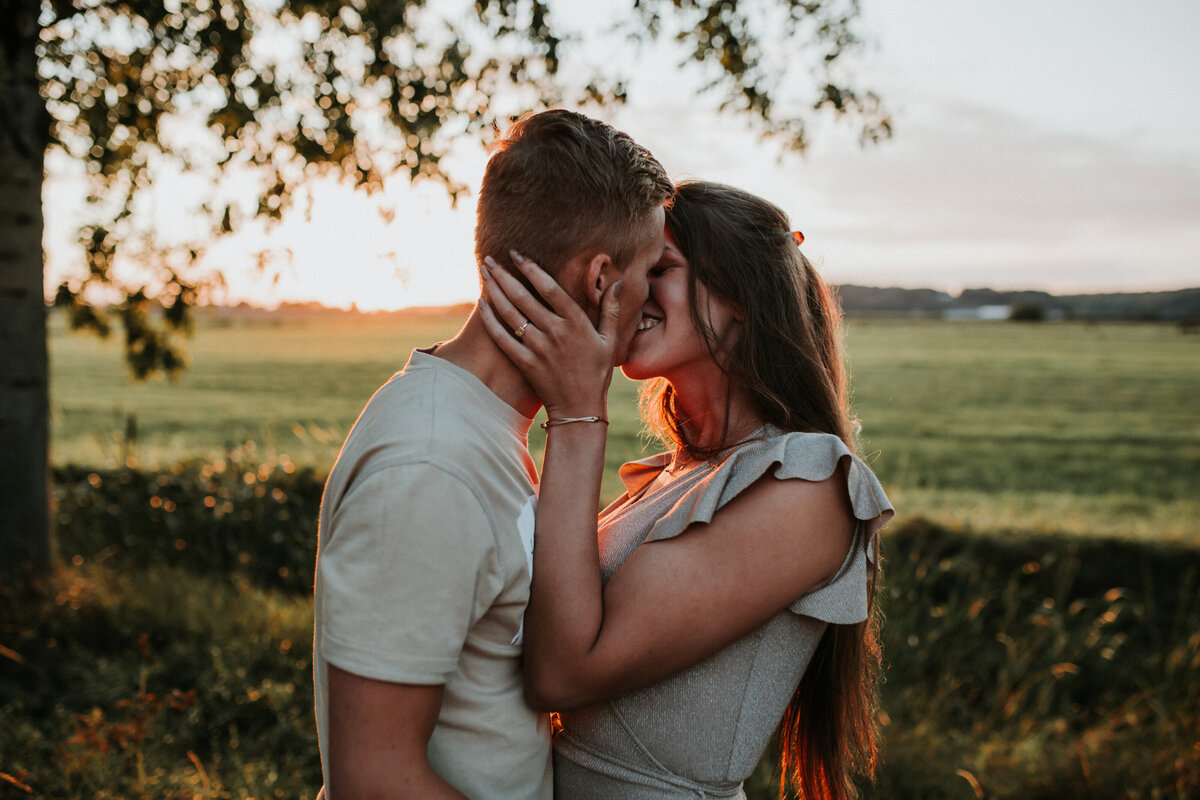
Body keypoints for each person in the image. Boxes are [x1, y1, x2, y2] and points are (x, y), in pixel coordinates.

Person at [477, 180, 894, 799]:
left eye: (659, 269)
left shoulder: (807, 487)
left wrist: (577, 413)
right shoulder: (676, 476)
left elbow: (560, 674)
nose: (627, 291)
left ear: (742, 298)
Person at [311, 109, 673, 800]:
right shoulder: (430, 467)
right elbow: (375, 781)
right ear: (600, 280)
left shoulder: (485, 431)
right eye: (652, 269)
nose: (657, 298)